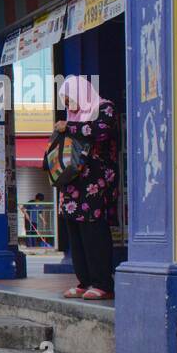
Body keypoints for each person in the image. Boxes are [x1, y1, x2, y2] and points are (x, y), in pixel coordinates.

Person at [55, 75, 118, 300]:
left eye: (70, 98)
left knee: (94, 231)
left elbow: (100, 131)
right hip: (73, 183)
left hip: (95, 183)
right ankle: (85, 280)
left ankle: (103, 282)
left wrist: (69, 127)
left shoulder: (104, 108)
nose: (68, 104)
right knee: (75, 232)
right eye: (64, 100)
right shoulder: (73, 117)